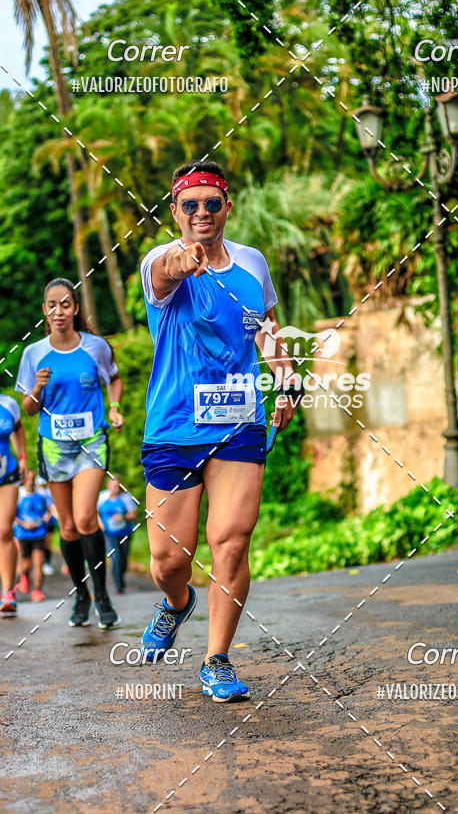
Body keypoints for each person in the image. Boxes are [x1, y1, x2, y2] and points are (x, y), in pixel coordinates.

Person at [139, 159, 301, 702]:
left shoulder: (253, 263)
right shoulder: (158, 263)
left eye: (212, 203)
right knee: (168, 560)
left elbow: (266, 328)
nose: (202, 213)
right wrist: (181, 261)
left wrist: (285, 373)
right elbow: (165, 272)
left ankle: (217, 659)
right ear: (175, 212)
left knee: (230, 541)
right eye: (191, 205)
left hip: (238, 421)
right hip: (173, 426)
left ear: (228, 207)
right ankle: (176, 600)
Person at [16, 278, 125, 629]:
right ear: (44, 311)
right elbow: (28, 409)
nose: (59, 311)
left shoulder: (95, 347)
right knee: (66, 526)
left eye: (65, 304)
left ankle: (102, 596)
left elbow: (115, 378)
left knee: (85, 519)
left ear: (75, 308)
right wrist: (36, 388)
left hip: (91, 442)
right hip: (54, 446)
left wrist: (115, 407)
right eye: (52, 305)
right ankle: (81, 596)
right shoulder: (34, 353)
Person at [0, 394, 27, 616]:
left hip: (6, 473)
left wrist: (23, 458)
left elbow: (18, 428)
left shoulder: (8, 403)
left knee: (4, 530)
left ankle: (8, 592)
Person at [97, 473, 136, 594]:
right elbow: (95, 511)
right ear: (108, 485)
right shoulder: (102, 496)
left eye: (117, 486)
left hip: (125, 532)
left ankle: (121, 577)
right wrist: (100, 523)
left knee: (123, 559)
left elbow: (133, 514)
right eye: (113, 486)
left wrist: (123, 516)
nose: (115, 488)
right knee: (115, 557)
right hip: (108, 533)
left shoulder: (126, 497)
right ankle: (119, 586)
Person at [14, 470, 48, 602]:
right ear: (24, 480)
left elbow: (49, 509)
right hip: (22, 534)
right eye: (28, 478)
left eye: (32, 478)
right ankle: (24, 575)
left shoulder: (42, 494)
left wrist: (49, 515)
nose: (30, 481)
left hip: (39, 533)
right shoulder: (19, 494)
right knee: (25, 565)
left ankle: (37, 590)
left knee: (38, 563)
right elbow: (11, 514)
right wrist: (23, 523)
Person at [36, 475, 58, 575]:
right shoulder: (37, 493)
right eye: (41, 485)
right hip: (38, 523)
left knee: (47, 543)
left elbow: (52, 507)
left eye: (44, 485)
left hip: (49, 522)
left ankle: (46, 563)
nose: (43, 487)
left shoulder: (50, 493)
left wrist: (49, 514)